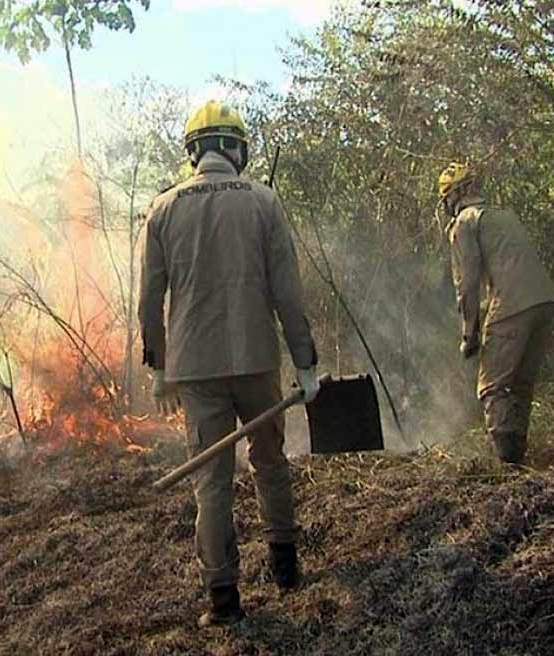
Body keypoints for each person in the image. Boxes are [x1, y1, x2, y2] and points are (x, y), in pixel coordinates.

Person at [138, 100, 320, 628]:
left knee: (211, 482)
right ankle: (286, 569)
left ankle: (223, 600)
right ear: (236, 149)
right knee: (270, 462)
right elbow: (287, 291)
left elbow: (150, 301)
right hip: (257, 359)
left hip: (194, 370)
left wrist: (158, 368)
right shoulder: (264, 201)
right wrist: (305, 364)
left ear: (194, 151)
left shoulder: (162, 208)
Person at [438, 163, 554, 465]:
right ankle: (519, 460)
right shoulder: (505, 216)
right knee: (519, 385)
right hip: (545, 302)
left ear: (455, 195)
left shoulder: (464, 222)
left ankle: (506, 466)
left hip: (513, 304)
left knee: (492, 386)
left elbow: (467, 284)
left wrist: (469, 334)